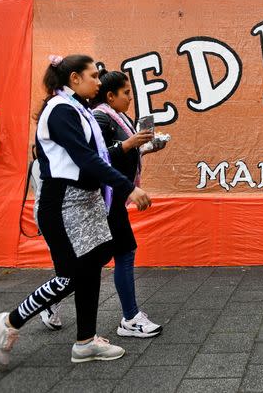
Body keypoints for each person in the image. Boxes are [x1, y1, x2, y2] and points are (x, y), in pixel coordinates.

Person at [0, 54, 151, 370]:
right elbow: (86, 158)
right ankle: (8, 322)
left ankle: (86, 342)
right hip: (63, 204)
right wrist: (127, 187)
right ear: (74, 78)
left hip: (86, 202)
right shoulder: (60, 110)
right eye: (93, 76)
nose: (99, 82)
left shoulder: (80, 109)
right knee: (71, 275)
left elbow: (100, 154)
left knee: (95, 262)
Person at [89, 67, 165, 337]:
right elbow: (95, 158)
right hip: (105, 199)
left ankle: (51, 301)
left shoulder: (119, 117)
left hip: (115, 198)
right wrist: (129, 143)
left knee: (96, 260)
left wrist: (144, 146)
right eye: (125, 93)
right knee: (122, 253)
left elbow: (123, 153)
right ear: (110, 96)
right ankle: (130, 318)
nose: (130, 98)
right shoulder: (99, 118)